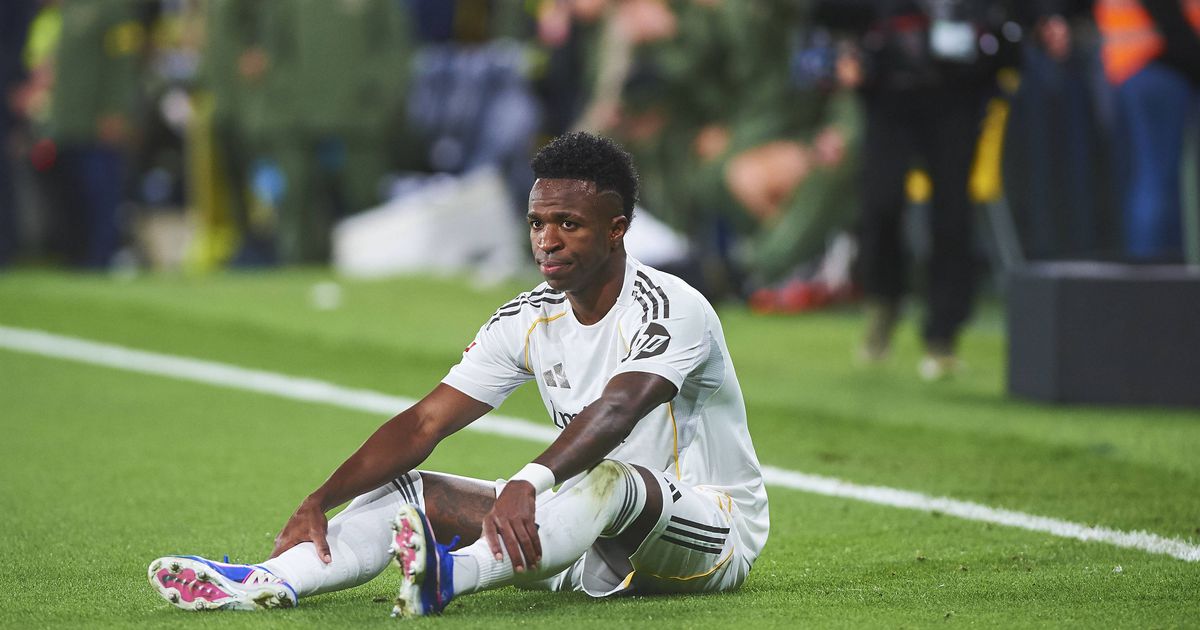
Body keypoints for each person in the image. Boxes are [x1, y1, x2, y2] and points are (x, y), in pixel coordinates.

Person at [146, 132, 769, 616]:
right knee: (408, 492)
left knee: (612, 479)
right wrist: (322, 498)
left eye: (568, 224)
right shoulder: (528, 317)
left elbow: (619, 409)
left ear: (617, 230)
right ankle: (269, 580)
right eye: (537, 223)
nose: (547, 241)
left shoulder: (671, 307)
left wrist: (527, 481)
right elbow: (426, 421)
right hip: (580, 541)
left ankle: (451, 574)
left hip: (710, 536)